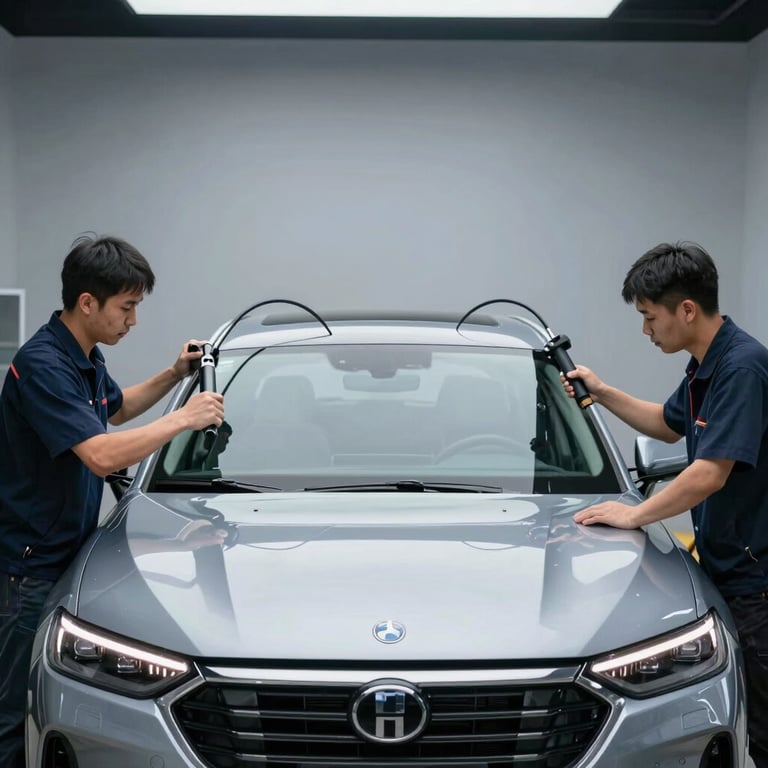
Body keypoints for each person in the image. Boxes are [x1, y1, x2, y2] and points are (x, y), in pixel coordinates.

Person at [0, 234, 225, 767]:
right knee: (15, 709)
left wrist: (175, 376)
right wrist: (185, 419)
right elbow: (101, 454)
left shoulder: (83, 356)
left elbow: (116, 410)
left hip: (69, 553)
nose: (133, 320)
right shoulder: (43, 366)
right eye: (127, 307)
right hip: (29, 569)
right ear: (87, 303)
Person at [562, 241, 768, 768]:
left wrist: (632, 515)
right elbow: (667, 424)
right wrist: (602, 391)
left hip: (757, 582)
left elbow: (708, 473)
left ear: (687, 310)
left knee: (763, 728)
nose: (646, 331)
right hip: (729, 569)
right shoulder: (707, 366)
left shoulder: (743, 369)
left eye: (649, 317)